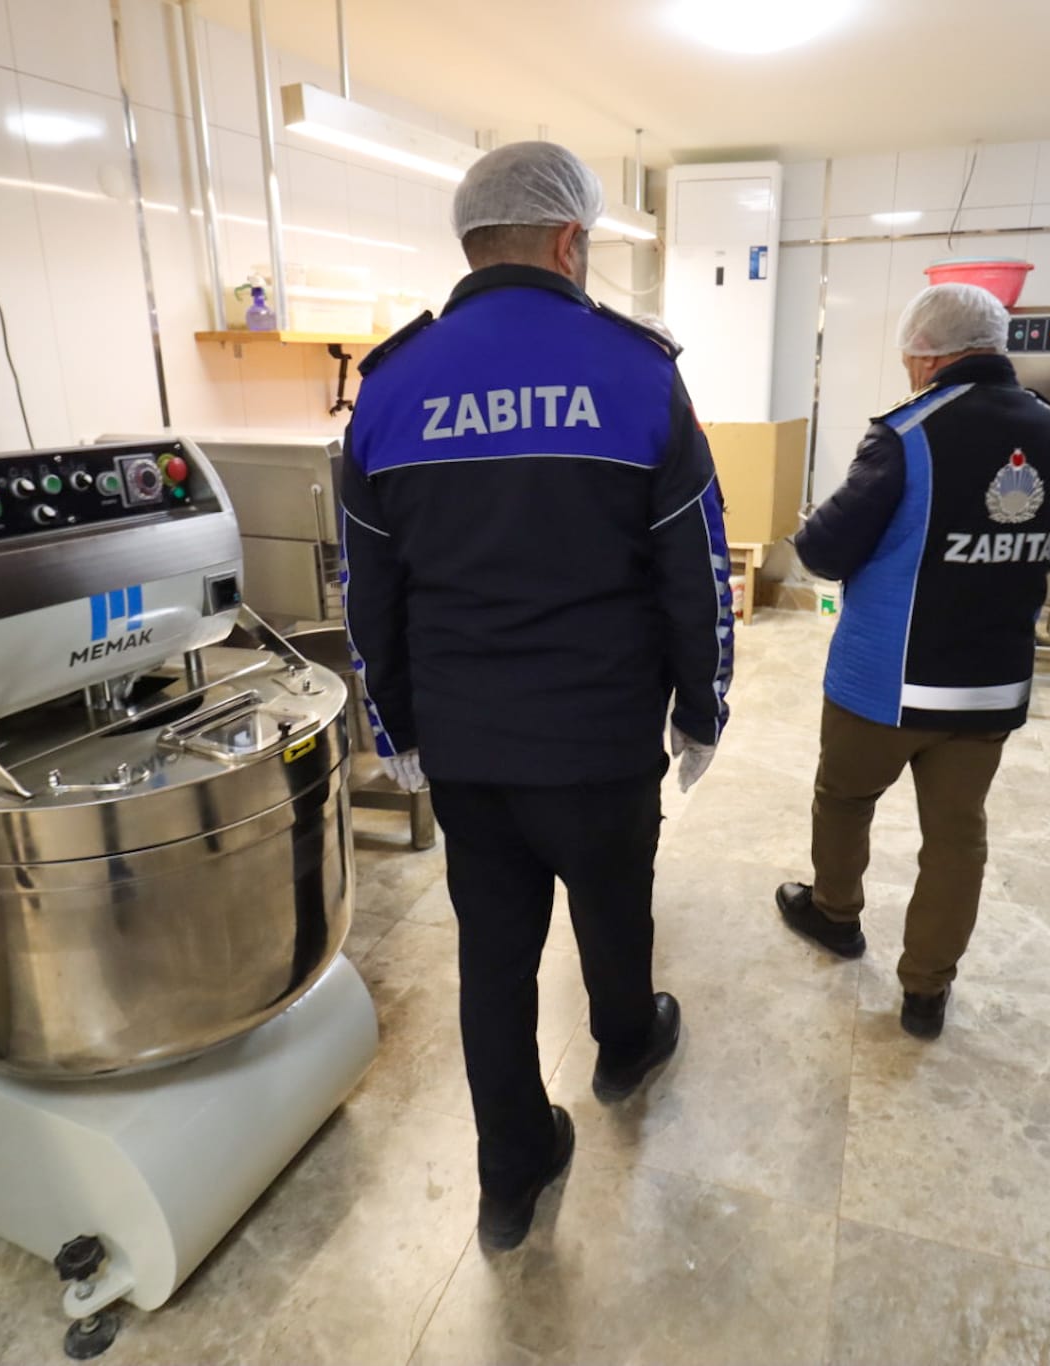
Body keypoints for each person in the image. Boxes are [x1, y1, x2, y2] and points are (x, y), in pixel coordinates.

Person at [339, 141, 734, 1250]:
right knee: (613, 908)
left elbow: (366, 588)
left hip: (466, 745)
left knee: (494, 955)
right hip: (600, 737)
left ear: (472, 241)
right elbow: (696, 569)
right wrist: (700, 706)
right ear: (569, 240)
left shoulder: (388, 387)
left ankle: (511, 1174)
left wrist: (394, 726)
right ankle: (624, 1045)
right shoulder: (637, 373)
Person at [775, 283, 1050, 1039]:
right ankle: (926, 991)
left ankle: (836, 915)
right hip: (989, 686)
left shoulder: (907, 434)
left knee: (845, 798)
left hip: (886, 682)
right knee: (958, 836)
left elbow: (823, 551)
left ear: (925, 356)